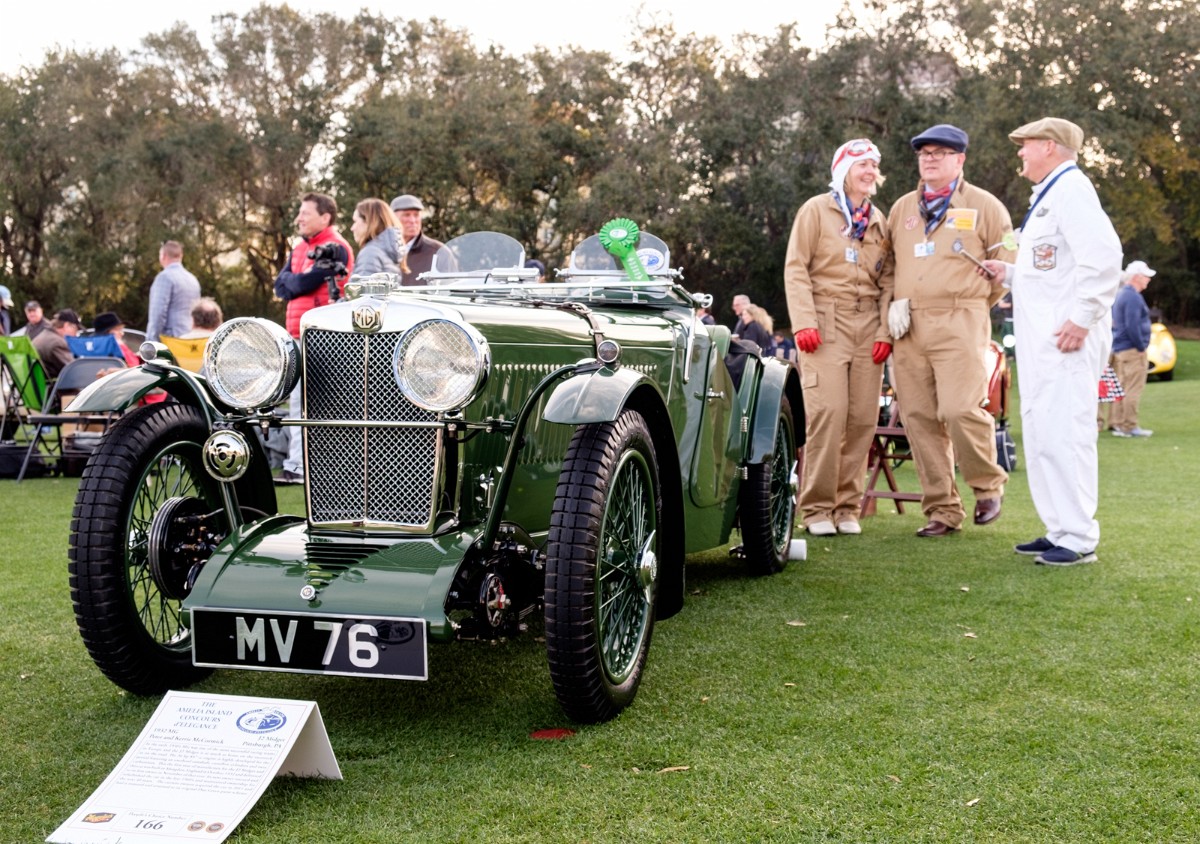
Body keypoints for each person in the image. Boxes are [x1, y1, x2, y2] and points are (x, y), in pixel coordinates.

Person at [981, 117, 1122, 566]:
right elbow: (1052, 269)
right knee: (1043, 432)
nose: (1020, 153)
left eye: (1026, 145)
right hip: (1044, 341)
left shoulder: (1073, 190)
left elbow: (1102, 260)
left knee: (1068, 432)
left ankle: (1079, 537)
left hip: (1067, 339)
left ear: (1049, 146)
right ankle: (1059, 527)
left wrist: (1082, 318)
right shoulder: (1050, 194)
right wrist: (1011, 274)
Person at [887, 123, 1014, 538]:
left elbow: (1008, 266)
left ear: (960, 159)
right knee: (920, 418)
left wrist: (974, 303)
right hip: (909, 323)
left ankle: (987, 485)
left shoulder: (986, 206)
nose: (930, 158)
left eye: (941, 152)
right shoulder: (902, 208)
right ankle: (942, 510)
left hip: (961, 319)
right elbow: (888, 266)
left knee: (960, 409)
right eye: (924, 153)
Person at [784, 138, 894, 536]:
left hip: (868, 326)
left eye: (873, 166)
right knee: (828, 415)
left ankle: (848, 507)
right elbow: (796, 267)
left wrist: (885, 330)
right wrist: (803, 321)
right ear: (843, 170)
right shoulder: (816, 210)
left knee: (863, 419)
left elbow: (889, 280)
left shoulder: (879, 220)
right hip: (824, 322)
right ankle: (815, 510)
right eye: (862, 164)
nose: (869, 172)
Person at [273, 192, 355, 485]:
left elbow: (299, 283)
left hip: (322, 335)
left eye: (305, 213)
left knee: (321, 402)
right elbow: (281, 286)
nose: (299, 218)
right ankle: (297, 466)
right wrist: (295, 282)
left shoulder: (336, 248)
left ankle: (317, 466)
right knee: (298, 402)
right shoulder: (300, 249)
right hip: (297, 334)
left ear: (325, 217)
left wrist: (295, 282)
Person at [1105, 260, 1155, 438]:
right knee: (1133, 388)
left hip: (1122, 348)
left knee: (1122, 387)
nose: (1148, 280)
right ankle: (1129, 425)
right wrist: (1141, 346)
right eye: (1145, 277)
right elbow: (1132, 325)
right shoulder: (1132, 296)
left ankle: (1118, 423)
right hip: (1132, 349)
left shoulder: (1122, 294)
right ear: (1137, 277)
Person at [146, 240, 202, 342]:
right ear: (181, 256)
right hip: (190, 338)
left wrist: (151, 342)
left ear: (163, 256)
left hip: (170, 339)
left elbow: (158, 314)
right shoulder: (193, 279)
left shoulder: (164, 277)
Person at [389, 194, 444, 285]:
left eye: (416, 215)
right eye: (407, 215)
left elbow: (451, 290)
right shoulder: (382, 251)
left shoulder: (438, 251)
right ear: (392, 219)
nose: (413, 220)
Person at [350, 198, 409, 278]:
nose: (352, 228)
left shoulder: (370, 254)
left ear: (368, 221)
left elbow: (364, 290)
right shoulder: (388, 251)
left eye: (355, 221)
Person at [32, 309, 82, 378]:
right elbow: (74, 372)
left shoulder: (39, 338)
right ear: (66, 325)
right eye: (76, 329)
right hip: (57, 387)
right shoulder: (57, 343)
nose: (75, 335)